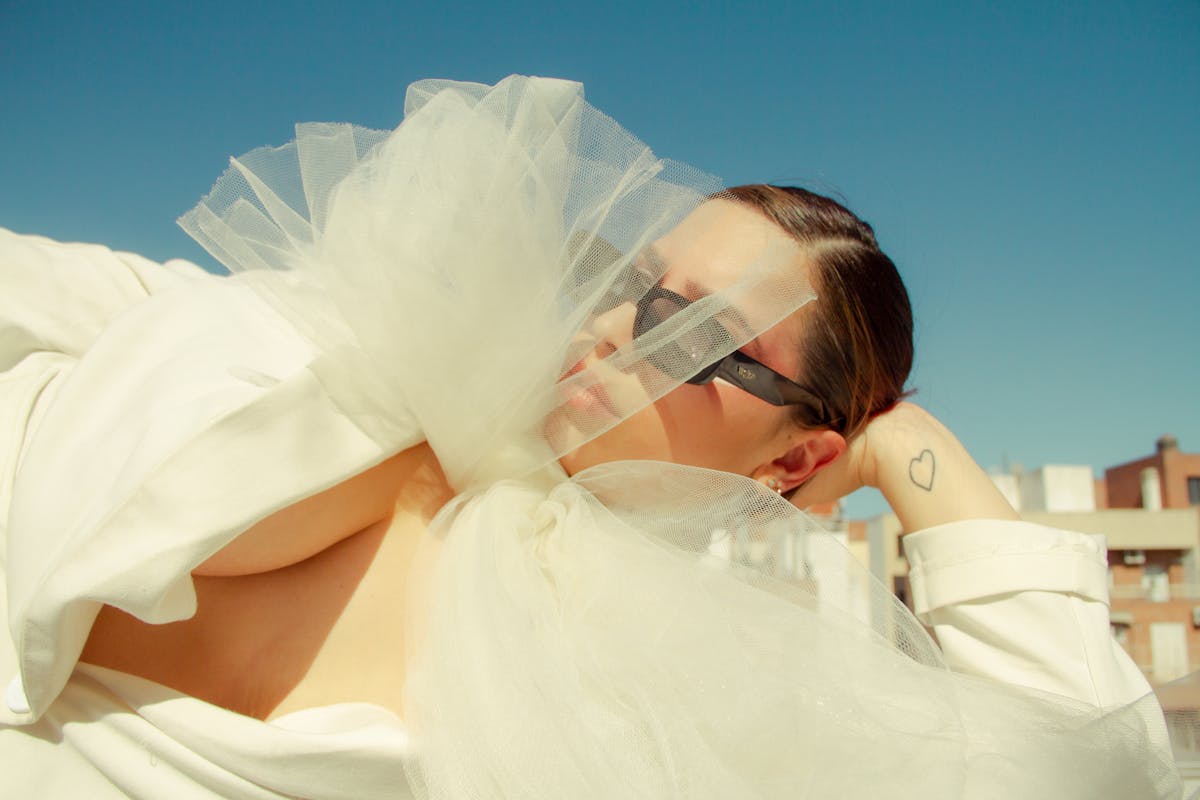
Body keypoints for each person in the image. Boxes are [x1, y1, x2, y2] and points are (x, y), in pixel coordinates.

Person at [0, 76, 1180, 798]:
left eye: (699, 333)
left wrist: (904, 442)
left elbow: (1092, 769)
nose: (616, 329)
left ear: (797, 457)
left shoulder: (670, 687)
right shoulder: (360, 331)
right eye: (635, 279)